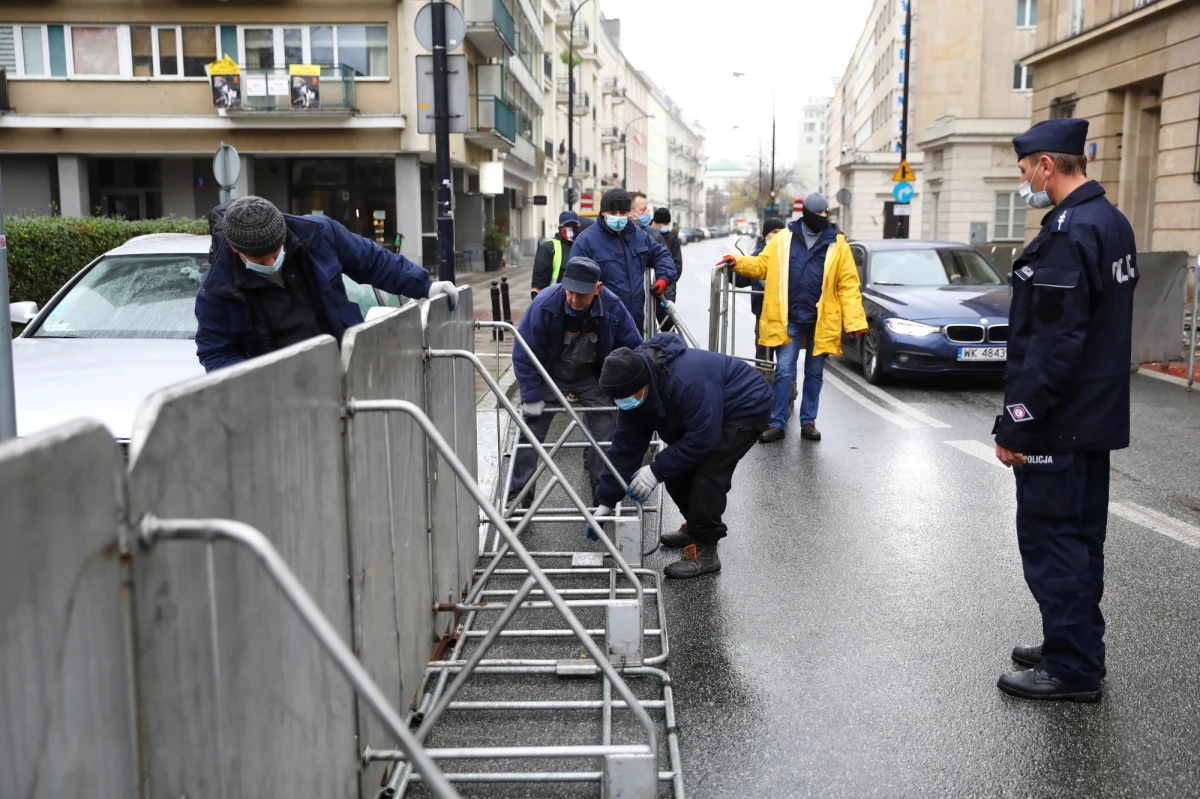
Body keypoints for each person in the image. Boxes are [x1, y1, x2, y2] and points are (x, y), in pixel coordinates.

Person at [993, 118, 1137, 703]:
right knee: (1080, 540)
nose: (1024, 178)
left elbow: (1053, 344)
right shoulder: (1112, 223)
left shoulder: (1070, 233)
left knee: (1053, 541)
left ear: (1048, 166)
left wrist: (1017, 422)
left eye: (1026, 167)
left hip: (1060, 419)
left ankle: (1072, 668)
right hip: (1094, 417)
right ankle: (1071, 644)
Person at [196, 195, 456, 372]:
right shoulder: (217, 290)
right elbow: (217, 353)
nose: (271, 262)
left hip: (345, 369)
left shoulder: (318, 235)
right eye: (260, 259)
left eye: (276, 253)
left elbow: (373, 261)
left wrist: (426, 286)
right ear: (234, 249)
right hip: (282, 395)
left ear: (283, 233)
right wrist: (258, 389)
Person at [593, 334, 772, 579]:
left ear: (643, 384)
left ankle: (706, 552)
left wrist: (654, 470)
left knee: (707, 475)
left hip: (745, 406)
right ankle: (695, 528)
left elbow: (703, 439)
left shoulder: (687, 381)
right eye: (617, 400)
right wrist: (606, 501)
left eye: (625, 397)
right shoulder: (634, 392)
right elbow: (625, 447)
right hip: (708, 413)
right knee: (675, 471)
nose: (622, 403)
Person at [718, 192, 866, 443]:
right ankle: (777, 423)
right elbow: (761, 265)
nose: (823, 218)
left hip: (821, 320)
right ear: (806, 214)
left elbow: (849, 284)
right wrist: (737, 262)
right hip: (789, 319)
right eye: (818, 214)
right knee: (785, 371)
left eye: (825, 214)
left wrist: (854, 321)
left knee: (815, 373)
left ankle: (808, 422)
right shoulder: (783, 240)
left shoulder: (838, 244)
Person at [509, 257, 643, 509]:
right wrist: (531, 394)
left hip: (591, 376)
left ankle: (603, 496)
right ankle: (518, 497)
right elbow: (523, 352)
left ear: (598, 288)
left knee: (605, 431)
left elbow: (632, 348)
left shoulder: (613, 308)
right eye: (569, 292)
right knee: (529, 431)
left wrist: (627, 389)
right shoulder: (545, 305)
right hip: (551, 374)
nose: (573, 299)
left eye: (582, 294)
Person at [570, 188, 677, 336]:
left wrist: (663, 278)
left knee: (633, 358)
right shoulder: (586, 241)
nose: (618, 217)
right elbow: (575, 284)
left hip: (634, 323)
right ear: (603, 213)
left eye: (622, 213)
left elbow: (662, 254)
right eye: (613, 213)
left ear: (629, 213)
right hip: (600, 326)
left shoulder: (638, 235)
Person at [734, 217, 786, 364]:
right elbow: (743, 280)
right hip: (763, 313)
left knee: (786, 359)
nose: (777, 235)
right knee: (763, 356)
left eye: (780, 232)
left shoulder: (789, 253)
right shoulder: (757, 255)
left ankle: (787, 387)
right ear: (765, 235)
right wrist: (731, 268)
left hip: (785, 314)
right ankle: (764, 384)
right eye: (773, 232)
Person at [531, 210, 580, 299]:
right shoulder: (549, 247)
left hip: (578, 301)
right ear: (560, 227)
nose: (571, 228)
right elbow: (539, 283)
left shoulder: (581, 245)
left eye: (574, 225)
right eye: (568, 225)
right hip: (555, 300)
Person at [652, 207, 684, 331]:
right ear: (655, 222)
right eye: (662, 223)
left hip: (666, 289)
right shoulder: (648, 235)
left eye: (666, 224)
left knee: (668, 325)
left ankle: (671, 349)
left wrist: (669, 280)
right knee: (648, 326)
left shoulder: (672, 240)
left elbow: (677, 265)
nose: (664, 226)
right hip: (650, 287)